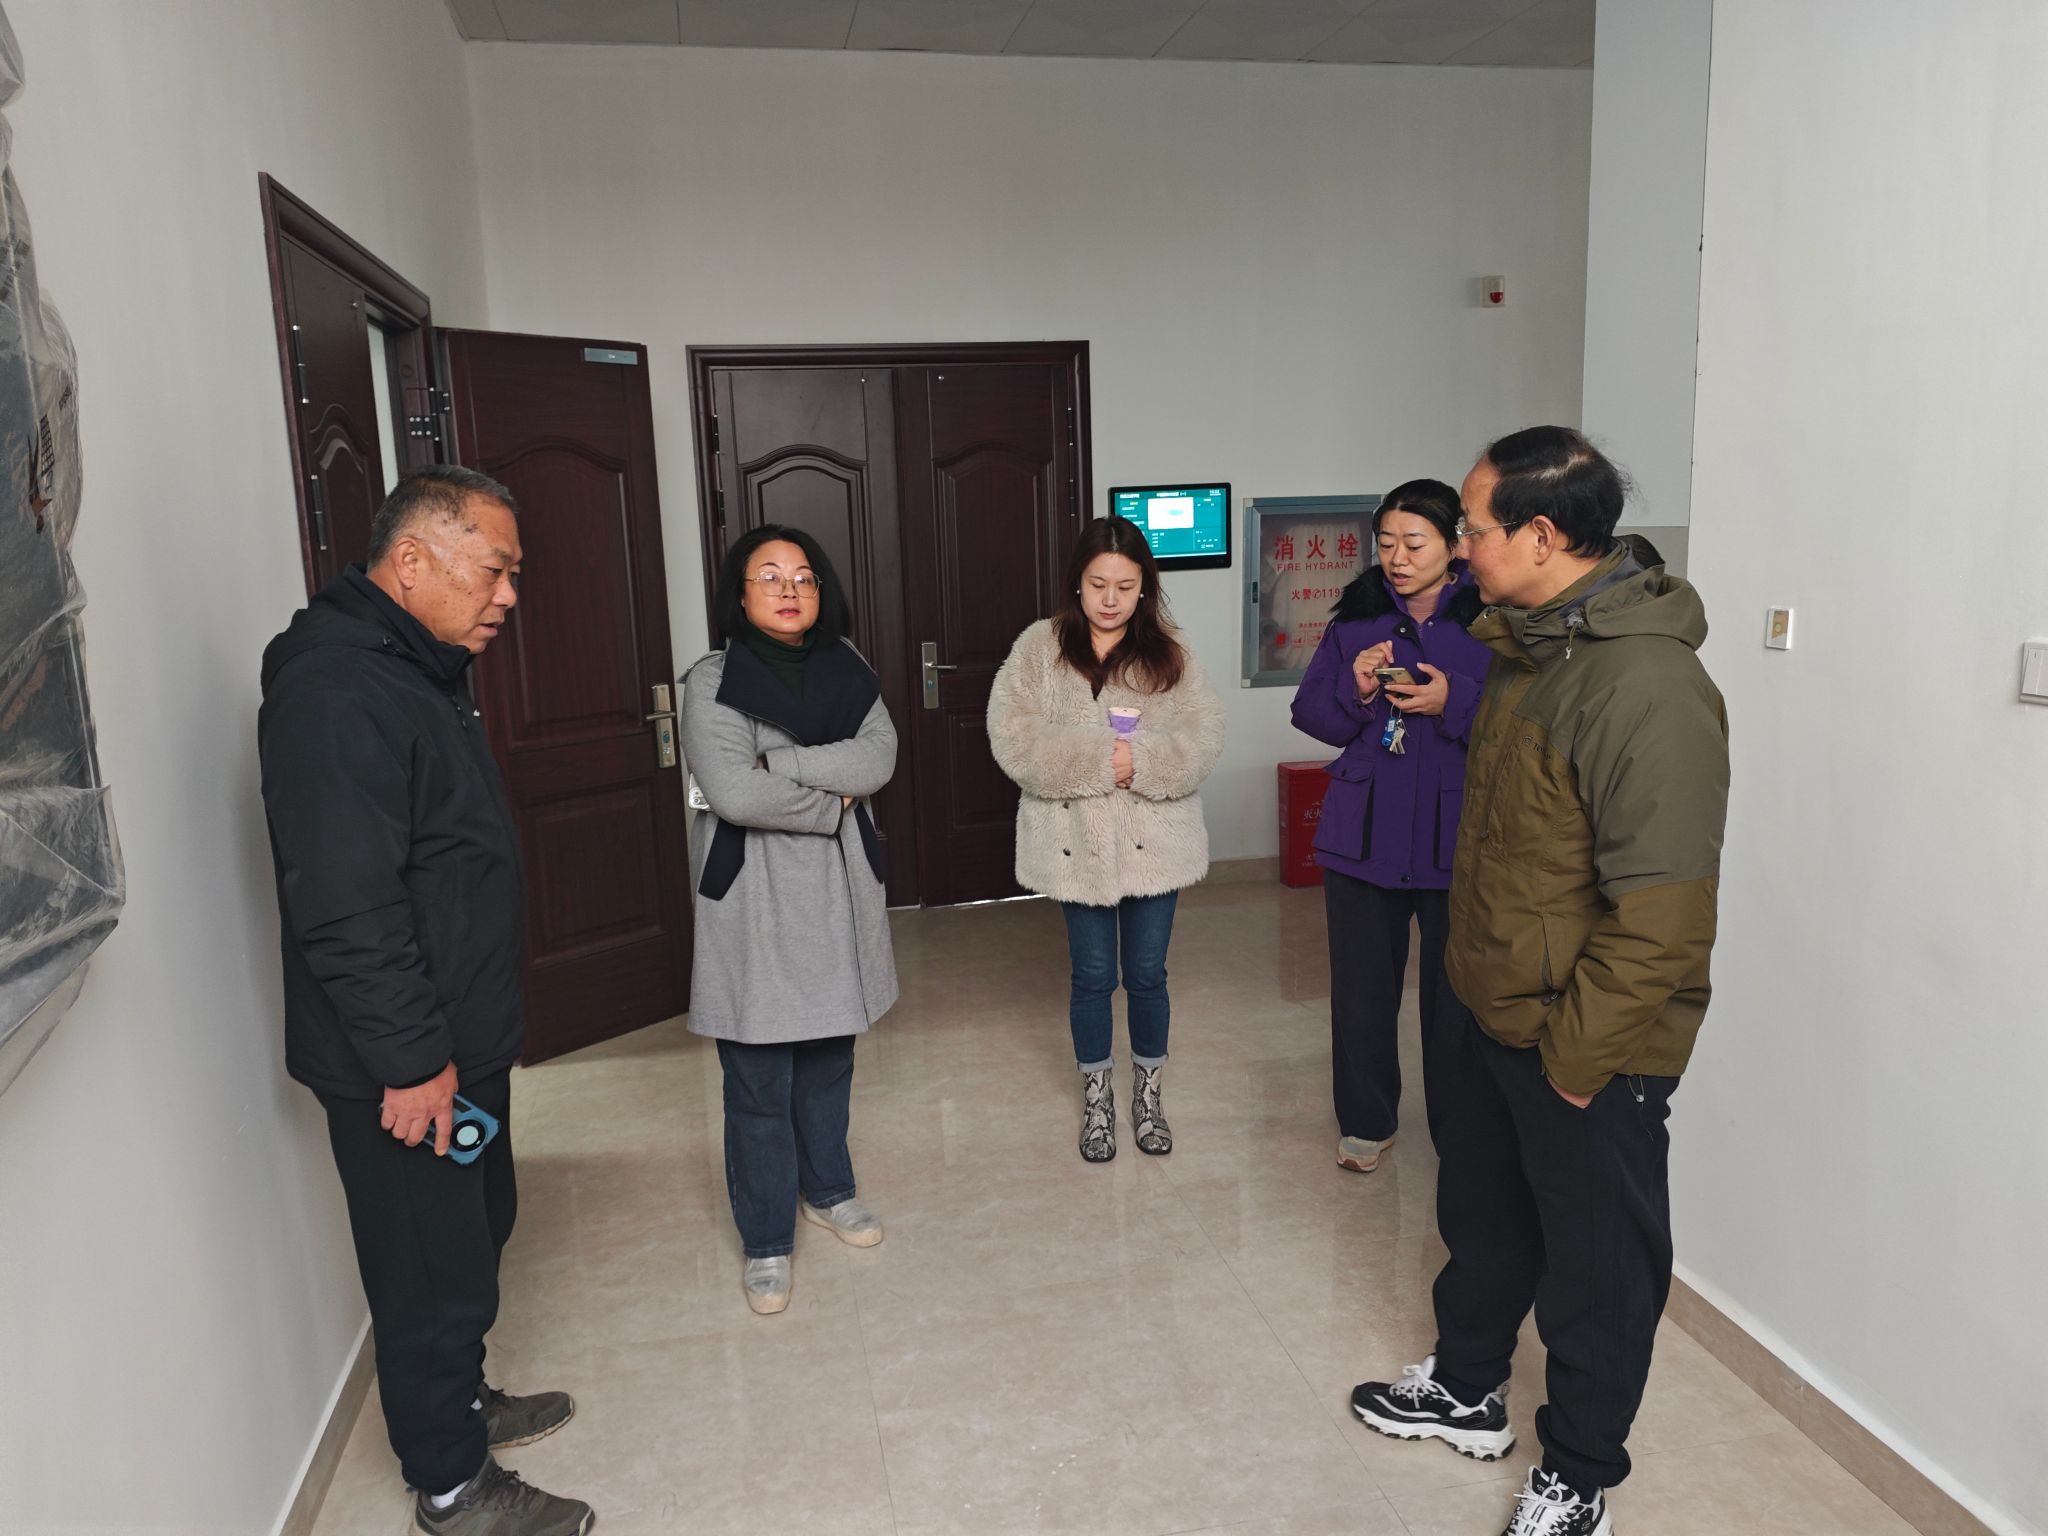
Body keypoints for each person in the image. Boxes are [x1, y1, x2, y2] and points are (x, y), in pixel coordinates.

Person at [1350, 428, 1729, 1536]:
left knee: (1596, 1271)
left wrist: (1573, 1061)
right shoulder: (1526, 651)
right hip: (1492, 1010)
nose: (1459, 547)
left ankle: (1578, 1475)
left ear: (1543, 535)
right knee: (1482, 1218)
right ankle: (1469, 1387)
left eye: (1472, 528)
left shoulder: (1647, 686)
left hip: (1584, 1046)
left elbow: (1661, 917)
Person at [259, 467, 593, 1536]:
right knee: (426, 1270)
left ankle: (463, 1401)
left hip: (456, 1042)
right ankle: (450, 1485)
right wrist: (410, 1063)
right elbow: (346, 904)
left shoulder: (413, 670)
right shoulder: (335, 693)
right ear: (411, 560)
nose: (508, 595)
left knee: (475, 1231)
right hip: (404, 1068)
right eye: (494, 570)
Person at [679, 524, 898, 1316]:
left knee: (830, 1057)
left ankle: (829, 1191)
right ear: (739, 595)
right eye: (769, 576)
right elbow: (733, 794)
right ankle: (766, 1237)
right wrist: (832, 802)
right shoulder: (712, 681)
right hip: (756, 897)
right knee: (759, 1076)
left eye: (803, 577)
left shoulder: (848, 665)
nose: (789, 590)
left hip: (839, 889)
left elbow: (878, 758)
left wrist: (781, 763)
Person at [987, 515, 1226, 1162]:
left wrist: (1142, 762)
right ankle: (1098, 1099)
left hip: (1156, 842)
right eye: (1098, 585)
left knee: (1147, 973)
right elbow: (1012, 736)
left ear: (1145, 586)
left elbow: (1203, 736)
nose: (1111, 599)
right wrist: (1101, 761)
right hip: (1076, 841)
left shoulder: (1169, 650)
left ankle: (1148, 1096)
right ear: (1077, 583)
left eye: (1125, 585)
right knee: (1092, 975)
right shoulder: (1038, 647)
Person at [1289, 480, 1494, 1173]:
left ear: (1455, 545)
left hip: (1455, 837)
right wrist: (1355, 685)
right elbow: (1313, 716)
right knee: (1361, 993)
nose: (1397, 559)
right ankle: (1366, 1122)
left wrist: (1453, 701)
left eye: (1414, 543)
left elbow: (1525, 721)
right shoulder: (1358, 619)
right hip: (1363, 834)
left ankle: (1458, 1131)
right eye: (1385, 544)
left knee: (1455, 999)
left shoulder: (1493, 617)